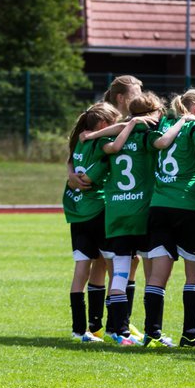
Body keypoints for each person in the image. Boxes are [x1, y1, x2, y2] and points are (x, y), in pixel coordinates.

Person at [141, 88, 195, 348]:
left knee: (156, 276)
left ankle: (152, 334)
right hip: (190, 205)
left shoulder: (164, 124)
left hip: (160, 206)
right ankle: (190, 335)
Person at [71, 75, 145, 338]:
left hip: (113, 202)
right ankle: (111, 324)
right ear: (122, 98)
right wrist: (70, 172)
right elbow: (77, 149)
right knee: (113, 262)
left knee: (119, 262)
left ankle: (109, 322)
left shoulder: (121, 122)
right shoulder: (112, 121)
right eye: (137, 93)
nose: (142, 98)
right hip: (105, 203)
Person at [93, 92, 165, 346]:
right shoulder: (148, 137)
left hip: (116, 211)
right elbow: (163, 145)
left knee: (120, 273)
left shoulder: (114, 136)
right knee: (153, 273)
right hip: (142, 211)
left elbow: (97, 168)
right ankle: (151, 332)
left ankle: (118, 330)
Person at [63, 103, 120, 342]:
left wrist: (70, 175)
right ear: (105, 126)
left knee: (81, 271)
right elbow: (88, 178)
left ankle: (80, 330)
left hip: (76, 212)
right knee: (115, 267)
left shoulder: (79, 143)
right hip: (96, 211)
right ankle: (114, 327)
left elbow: (71, 163)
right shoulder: (99, 146)